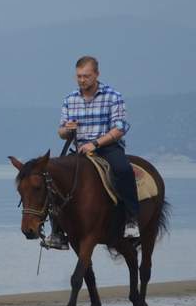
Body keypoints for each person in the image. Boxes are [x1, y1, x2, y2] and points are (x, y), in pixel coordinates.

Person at [46, 55, 139, 248]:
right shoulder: (70, 99)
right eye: (79, 76)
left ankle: (132, 220)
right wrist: (67, 129)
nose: (82, 80)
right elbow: (61, 131)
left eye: (86, 76)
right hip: (79, 150)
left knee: (123, 170)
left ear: (96, 74)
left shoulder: (113, 96)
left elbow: (120, 128)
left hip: (107, 147)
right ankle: (57, 232)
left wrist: (95, 144)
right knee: (52, 175)